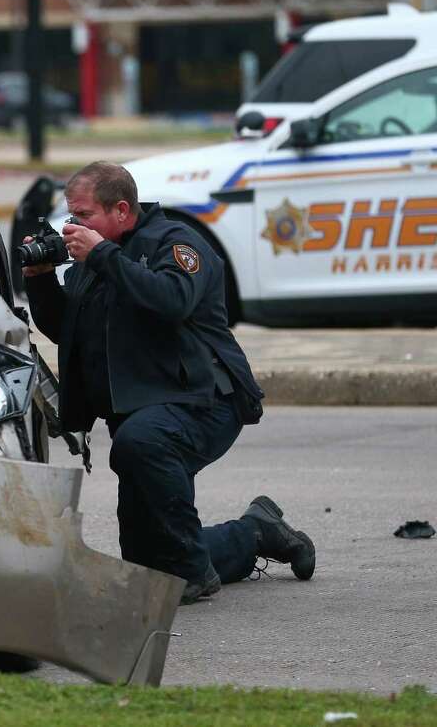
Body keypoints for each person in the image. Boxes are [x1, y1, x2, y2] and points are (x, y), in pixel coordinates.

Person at [23, 161, 316, 604]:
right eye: (71, 216)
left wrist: (102, 255)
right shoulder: (96, 259)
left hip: (205, 400)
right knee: (148, 566)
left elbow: (172, 300)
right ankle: (254, 533)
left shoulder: (176, 243)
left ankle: (195, 573)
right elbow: (72, 332)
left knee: (141, 442)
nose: (72, 227)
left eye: (83, 216)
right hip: (147, 410)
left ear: (121, 210)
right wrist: (42, 282)